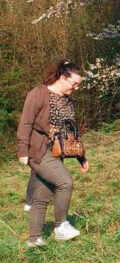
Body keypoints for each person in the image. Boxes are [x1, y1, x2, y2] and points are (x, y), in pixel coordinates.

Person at [17, 60, 89, 247]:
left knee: (42, 196)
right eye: (74, 83)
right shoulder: (38, 94)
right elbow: (25, 123)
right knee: (65, 182)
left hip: (57, 152)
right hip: (38, 151)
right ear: (63, 77)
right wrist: (22, 150)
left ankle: (34, 240)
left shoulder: (66, 100)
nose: (77, 87)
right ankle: (61, 226)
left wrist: (81, 156)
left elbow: (70, 130)